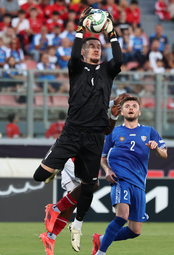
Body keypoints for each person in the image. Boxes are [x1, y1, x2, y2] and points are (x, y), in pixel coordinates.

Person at [32, 7, 128, 252]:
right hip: (72, 133)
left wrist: (112, 33)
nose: (97, 49)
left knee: (89, 187)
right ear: (85, 53)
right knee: (39, 177)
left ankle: (77, 225)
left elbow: (119, 59)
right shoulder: (75, 68)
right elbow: (74, 53)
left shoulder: (107, 71)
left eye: (99, 47)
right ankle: (54, 196)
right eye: (92, 47)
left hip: (95, 137)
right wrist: (79, 29)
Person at [40, 104, 121, 255]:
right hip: (73, 159)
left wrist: (113, 116)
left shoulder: (100, 126)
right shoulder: (84, 114)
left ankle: (50, 236)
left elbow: (106, 131)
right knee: (93, 185)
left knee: (73, 202)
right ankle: (55, 209)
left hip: (84, 161)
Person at [91, 96, 168, 255]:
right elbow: (102, 157)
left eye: (134, 106)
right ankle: (101, 252)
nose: (131, 108)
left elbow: (164, 154)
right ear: (122, 111)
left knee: (134, 231)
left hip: (139, 184)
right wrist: (107, 170)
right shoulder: (113, 132)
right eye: (127, 106)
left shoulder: (149, 132)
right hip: (120, 180)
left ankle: (100, 240)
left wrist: (156, 148)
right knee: (122, 217)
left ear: (139, 111)